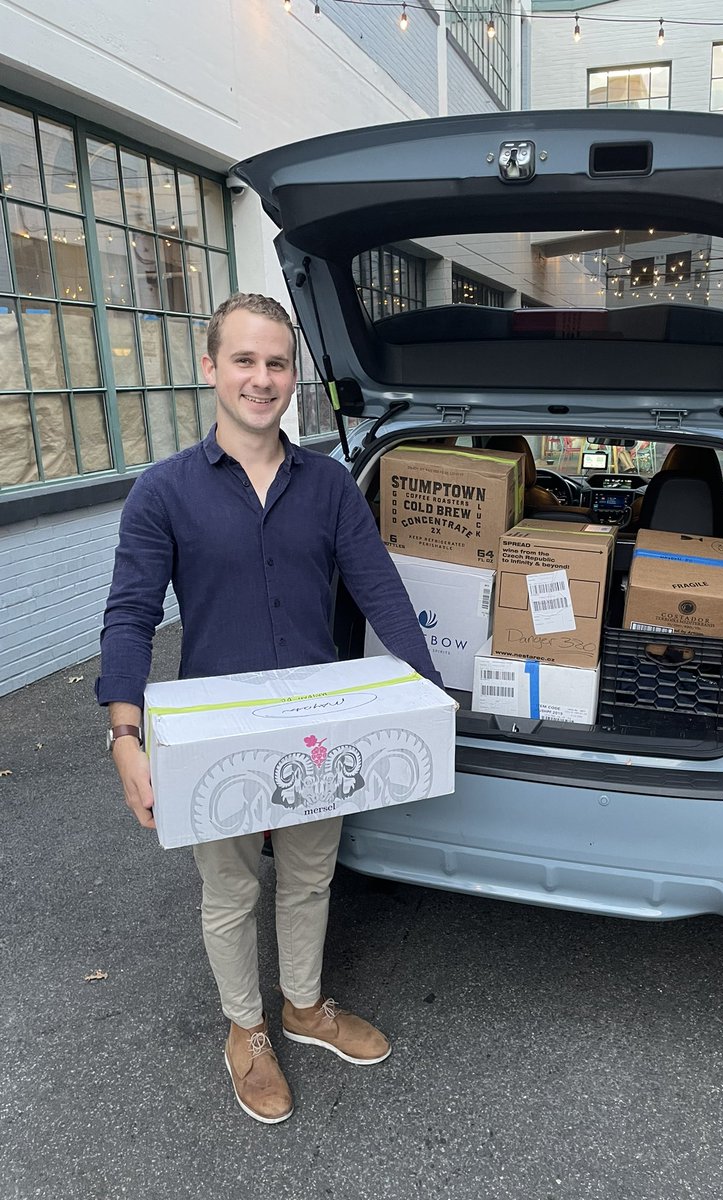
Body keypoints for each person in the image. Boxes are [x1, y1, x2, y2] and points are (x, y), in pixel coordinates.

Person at [96, 292, 443, 1125]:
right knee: (230, 892)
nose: (261, 378)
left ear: (294, 379)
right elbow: (129, 614)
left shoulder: (327, 486)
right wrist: (125, 737)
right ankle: (246, 1031)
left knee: (311, 878)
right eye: (244, 360)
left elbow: (382, 594)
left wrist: (429, 696)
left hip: (315, 730)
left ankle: (304, 1008)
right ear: (211, 368)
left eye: (276, 363)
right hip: (214, 739)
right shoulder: (164, 493)